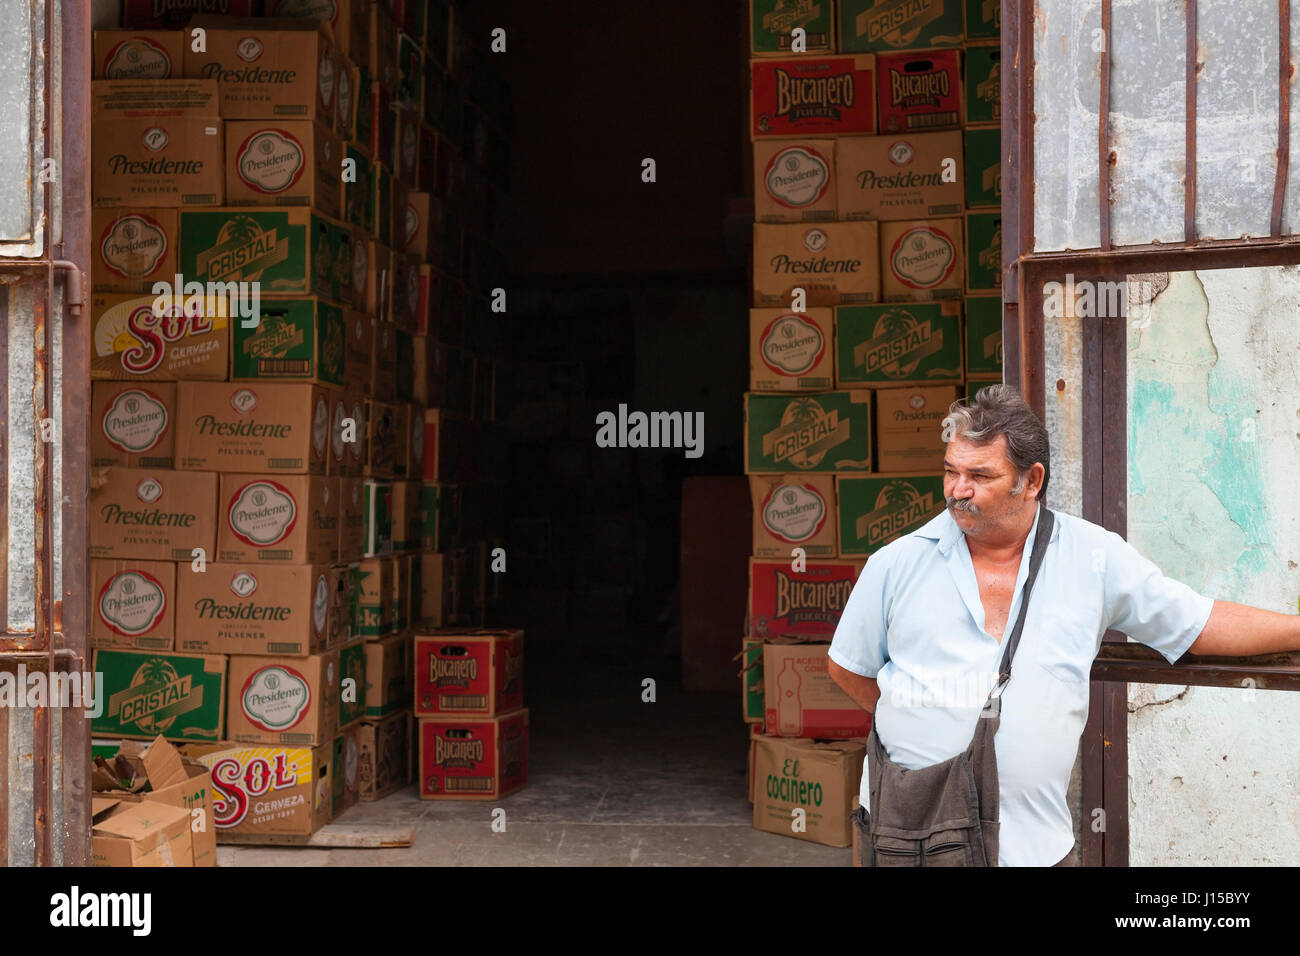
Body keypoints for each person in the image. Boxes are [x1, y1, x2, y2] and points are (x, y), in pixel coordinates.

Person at [828, 383, 1300, 866]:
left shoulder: (1093, 557)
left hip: (1034, 846)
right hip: (909, 838)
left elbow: (1198, 624)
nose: (957, 490)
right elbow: (848, 668)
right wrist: (919, 722)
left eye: (980, 475)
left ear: (1032, 481)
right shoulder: (897, 563)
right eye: (951, 471)